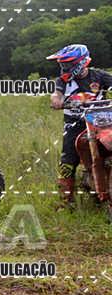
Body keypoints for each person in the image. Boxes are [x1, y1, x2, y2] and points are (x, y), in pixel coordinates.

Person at [47, 44, 112, 203]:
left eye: (67, 64)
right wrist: (56, 100)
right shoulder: (62, 81)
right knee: (67, 163)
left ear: (81, 62)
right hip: (74, 125)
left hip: (100, 121)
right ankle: (65, 201)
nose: (64, 68)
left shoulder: (98, 76)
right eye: (62, 65)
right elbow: (56, 94)